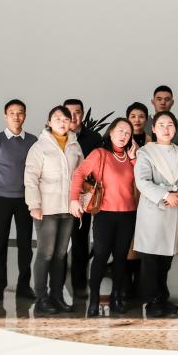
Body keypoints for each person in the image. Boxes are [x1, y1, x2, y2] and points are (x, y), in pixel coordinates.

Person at [68, 117, 138, 316]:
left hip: (127, 214)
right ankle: (94, 299)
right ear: (111, 132)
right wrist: (74, 199)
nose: (124, 135)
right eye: (120, 130)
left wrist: (134, 159)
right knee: (100, 256)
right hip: (105, 214)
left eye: (127, 133)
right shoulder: (100, 154)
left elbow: (140, 181)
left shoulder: (132, 157)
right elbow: (79, 174)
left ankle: (116, 297)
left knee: (121, 259)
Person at [23, 105, 85, 315]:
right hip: (47, 209)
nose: (62, 122)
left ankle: (57, 296)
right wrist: (34, 205)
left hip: (68, 208)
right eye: (57, 118)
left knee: (60, 255)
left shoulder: (75, 145)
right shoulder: (40, 147)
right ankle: (42, 298)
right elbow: (30, 177)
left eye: (66, 119)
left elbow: (82, 176)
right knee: (46, 253)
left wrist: (80, 201)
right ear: (49, 122)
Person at [133, 112, 178, 318]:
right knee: (151, 259)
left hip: (174, 210)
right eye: (161, 125)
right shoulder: (145, 152)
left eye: (170, 125)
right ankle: (152, 302)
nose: (166, 129)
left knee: (166, 260)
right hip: (155, 209)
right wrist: (166, 195)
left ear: (175, 128)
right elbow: (142, 181)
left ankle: (162, 298)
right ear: (153, 128)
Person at [0, 99, 38, 303]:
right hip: (2, 200)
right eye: (12, 113)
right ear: (5, 116)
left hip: (25, 201)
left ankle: (24, 286)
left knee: (25, 245)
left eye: (20, 112)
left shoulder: (33, 141)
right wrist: (0, 186)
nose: (16, 116)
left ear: (25, 116)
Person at [63, 98, 101, 298]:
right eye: (68, 113)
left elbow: (98, 169)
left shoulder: (94, 138)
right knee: (58, 245)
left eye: (77, 112)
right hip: (59, 198)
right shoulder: (55, 136)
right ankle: (55, 288)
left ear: (83, 114)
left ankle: (79, 286)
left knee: (79, 243)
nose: (73, 117)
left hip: (83, 198)